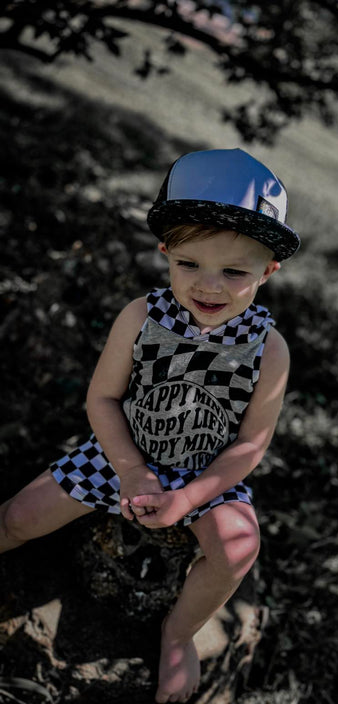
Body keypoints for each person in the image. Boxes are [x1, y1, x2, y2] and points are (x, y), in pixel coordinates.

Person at [0, 148, 300, 703]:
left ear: (269, 270)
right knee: (18, 517)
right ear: (165, 252)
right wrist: (132, 471)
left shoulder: (268, 350)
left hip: (207, 474)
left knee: (236, 550)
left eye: (234, 271)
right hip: (122, 453)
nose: (208, 286)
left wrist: (189, 500)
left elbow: (251, 444)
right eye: (189, 264)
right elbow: (104, 399)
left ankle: (179, 633)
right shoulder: (142, 317)